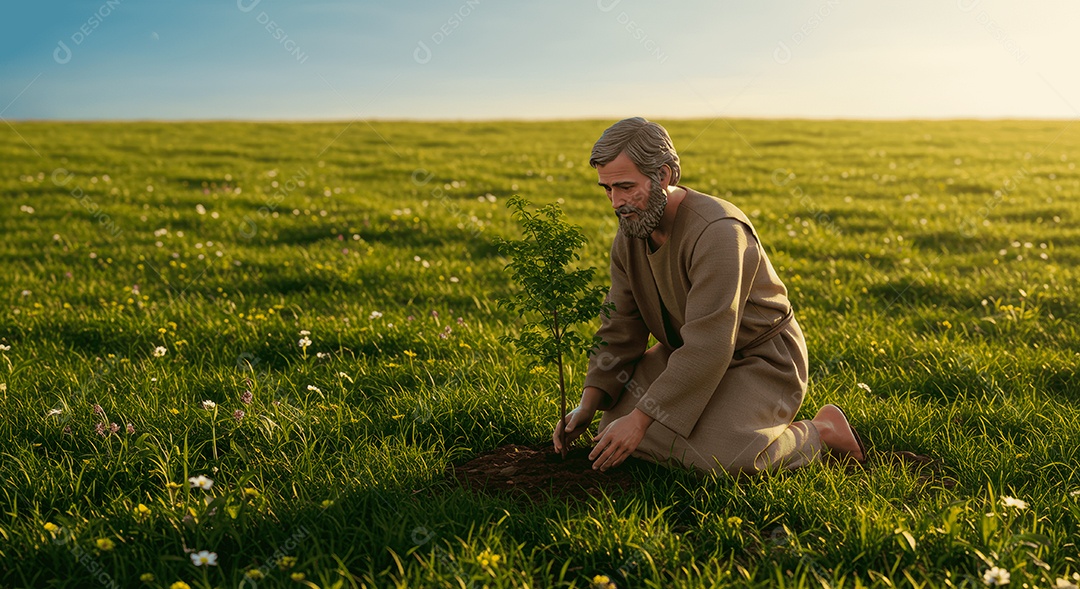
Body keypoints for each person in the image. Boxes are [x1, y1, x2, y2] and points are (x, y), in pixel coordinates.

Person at [551, 117, 866, 475]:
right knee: (611, 427)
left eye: (625, 187)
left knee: (718, 460)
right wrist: (587, 405)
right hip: (683, 355)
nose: (615, 202)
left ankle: (822, 433)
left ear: (664, 176)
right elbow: (620, 327)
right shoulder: (631, 233)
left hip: (759, 358)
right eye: (606, 189)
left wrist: (641, 420)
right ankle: (697, 423)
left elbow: (711, 344)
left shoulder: (718, 232)